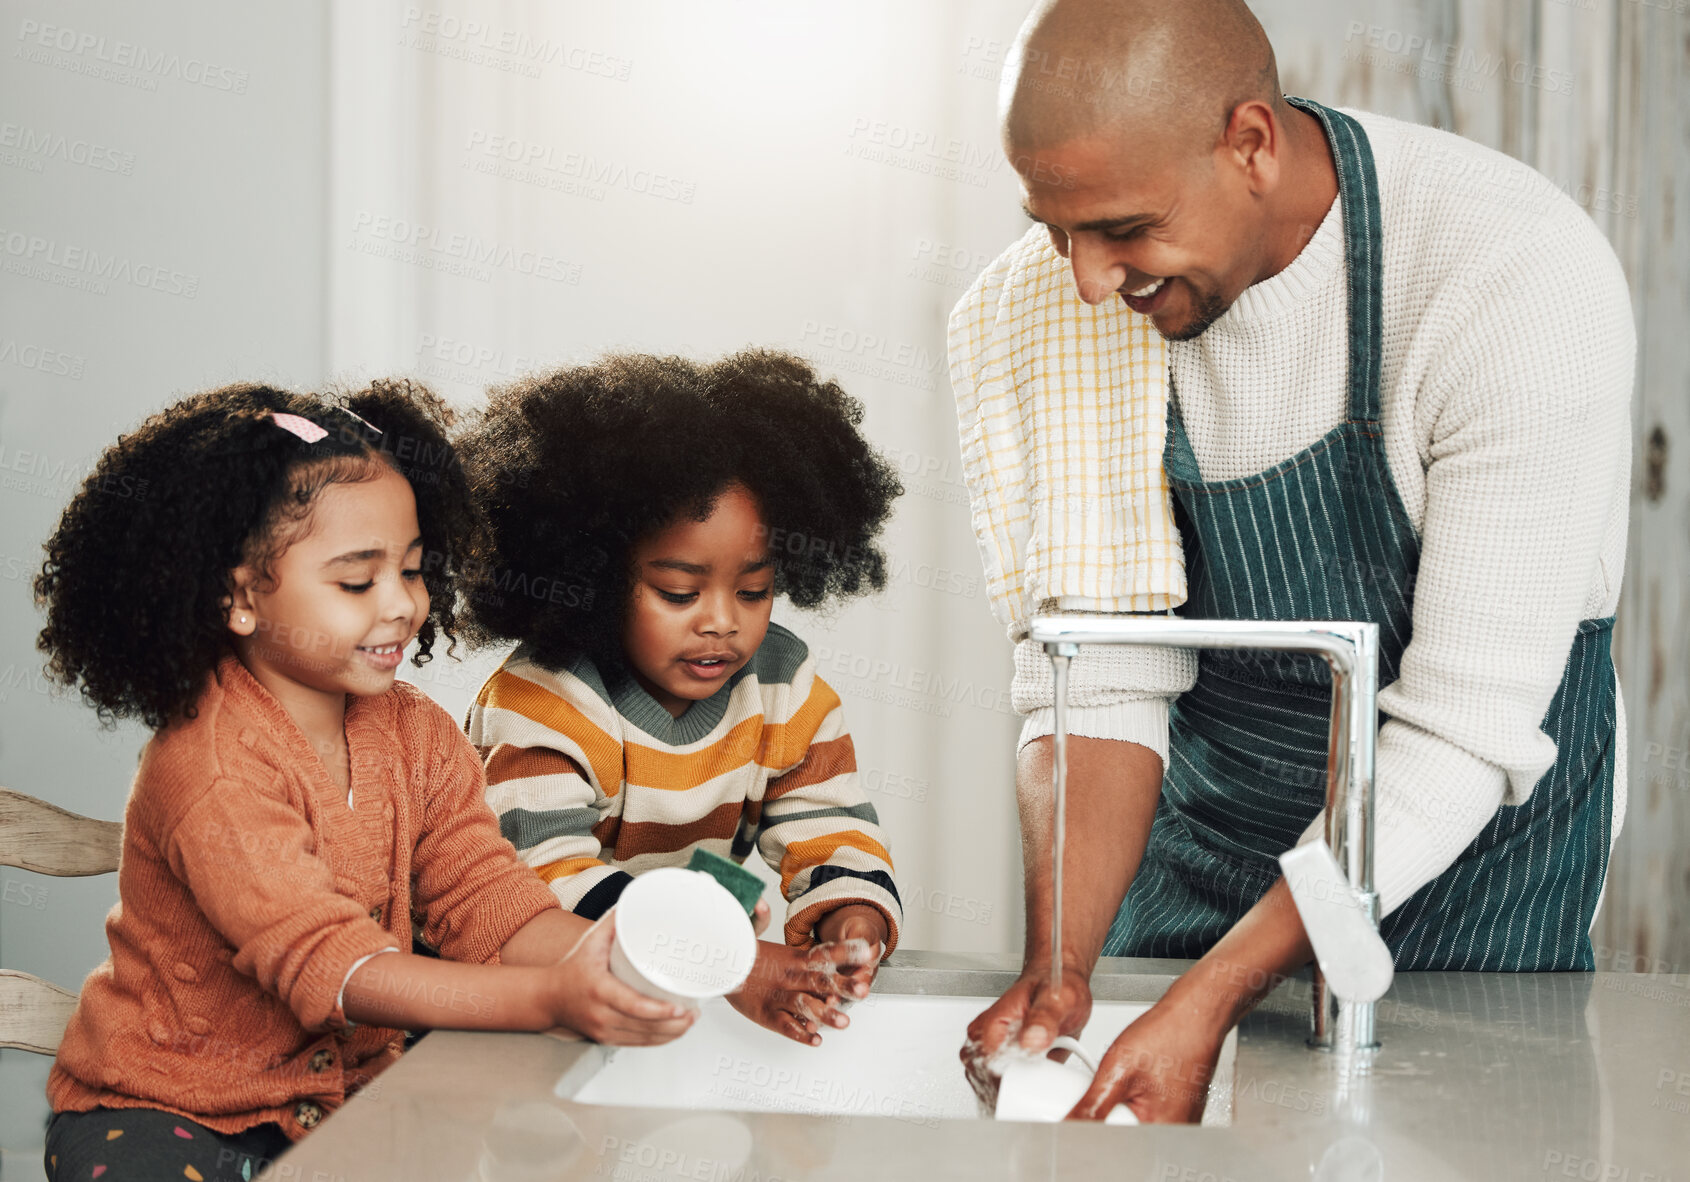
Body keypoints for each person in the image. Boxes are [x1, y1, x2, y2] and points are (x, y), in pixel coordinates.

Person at [956, 0, 1633, 1122]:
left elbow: (1464, 727)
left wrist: (1215, 993)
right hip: (1209, 831)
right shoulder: (1047, 308)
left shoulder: (1510, 275)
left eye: (1124, 228)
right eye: (1053, 229)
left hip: (1474, 859)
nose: (1085, 281)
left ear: (1252, 143)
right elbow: (1099, 675)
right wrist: (1062, 966)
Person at [35, 380, 693, 1182]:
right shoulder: (209, 761)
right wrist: (548, 1001)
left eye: (413, 570)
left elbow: (484, 899)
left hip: (349, 1104)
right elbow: (330, 962)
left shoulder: (417, 734)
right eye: (356, 581)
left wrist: (616, 957)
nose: (403, 605)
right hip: (166, 1114)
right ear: (239, 595)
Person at [458, 350, 907, 1048]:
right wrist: (730, 961)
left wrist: (853, 916)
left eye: (753, 590)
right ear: (599, 576)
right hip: (520, 1015)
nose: (722, 620)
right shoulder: (542, 701)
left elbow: (830, 822)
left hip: (666, 994)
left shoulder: (782, 682)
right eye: (679, 592)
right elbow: (547, 884)